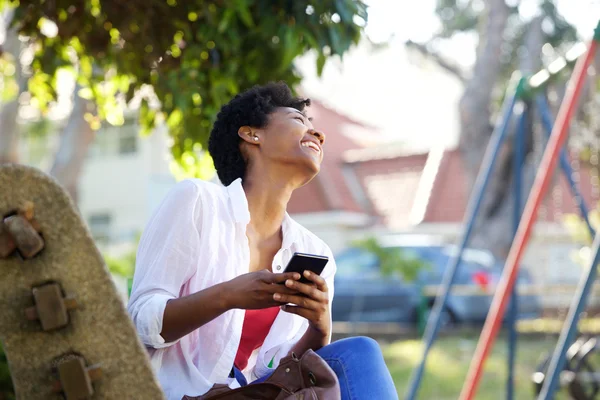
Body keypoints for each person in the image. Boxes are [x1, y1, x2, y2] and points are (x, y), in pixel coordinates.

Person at [127, 82, 398, 400]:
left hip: (252, 393)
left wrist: (319, 329)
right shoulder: (197, 201)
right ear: (251, 134)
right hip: (178, 393)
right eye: (299, 121)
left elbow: (279, 371)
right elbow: (141, 322)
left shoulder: (313, 251)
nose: (318, 135)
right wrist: (227, 296)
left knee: (358, 353)